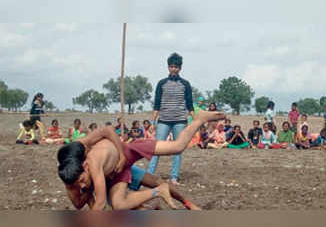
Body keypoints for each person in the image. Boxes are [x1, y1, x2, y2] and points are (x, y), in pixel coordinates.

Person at [57, 110, 224, 210]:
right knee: (123, 204)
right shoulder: (70, 175)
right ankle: (155, 202)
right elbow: (81, 204)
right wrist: (84, 189)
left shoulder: (88, 156)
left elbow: (100, 204)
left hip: (127, 152)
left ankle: (200, 119)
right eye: (77, 184)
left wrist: (122, 155)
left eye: (81, 180)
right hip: (116, 172)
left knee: (177, 147)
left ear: (83, 164)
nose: (82, 185)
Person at [148, 53, 195, 185]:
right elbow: (156, 104)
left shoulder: (185, 84)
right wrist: (153, 122)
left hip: (180, 121)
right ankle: (149, 175)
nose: (173, 69)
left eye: (176, 67)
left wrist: (195, 121)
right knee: (156, 149)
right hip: (163, 120)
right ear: (168, 67)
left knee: (177, 149)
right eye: (171, 66)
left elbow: (189, 104)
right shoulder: (161, 83)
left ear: (180, 68)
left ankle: (174, 177)